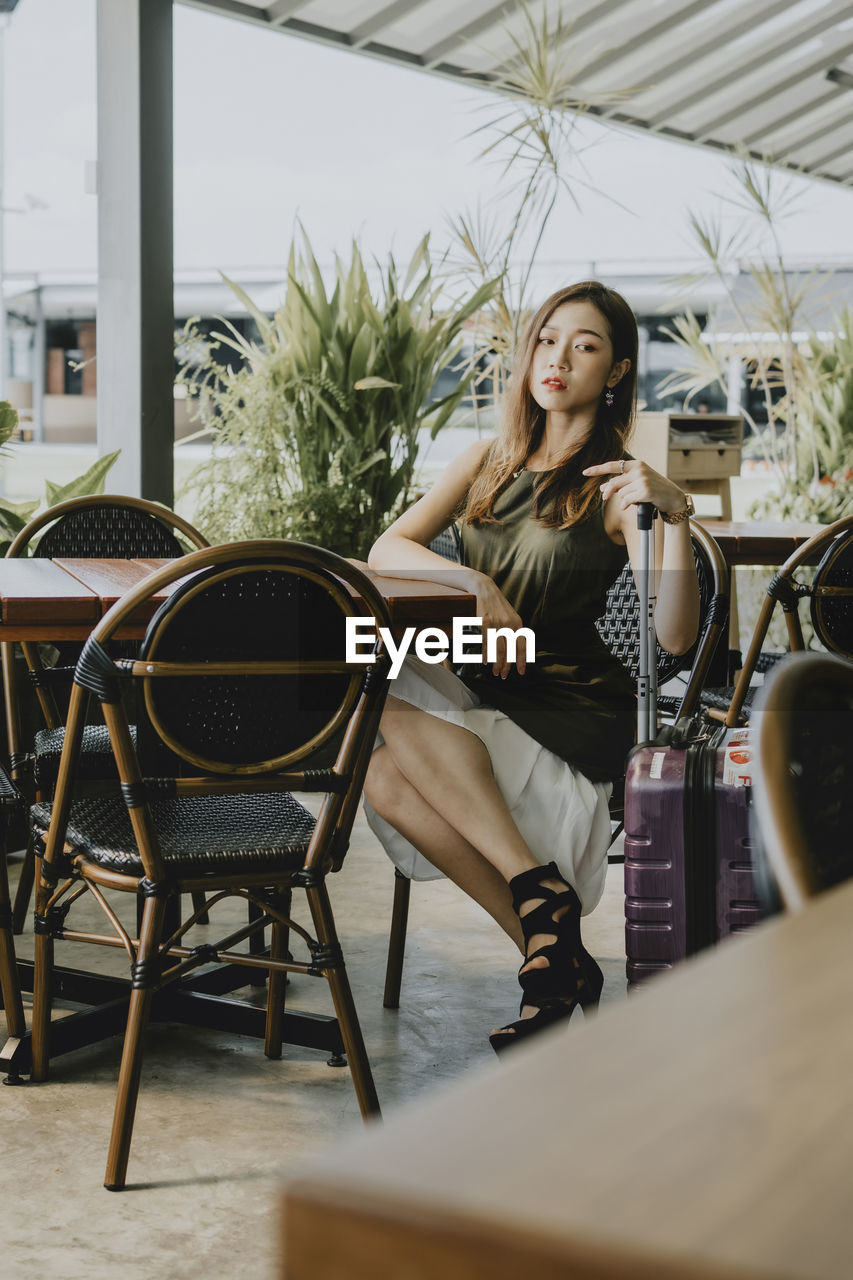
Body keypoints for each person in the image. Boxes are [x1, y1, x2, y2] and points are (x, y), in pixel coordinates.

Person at [364, 281, 700, 1054]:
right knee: (377, 767)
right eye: (547, 340)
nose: (558, 359)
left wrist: (676, 514)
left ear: (614, 371)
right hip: (487, 678)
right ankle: (551, 939)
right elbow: (391, 545)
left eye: (584, 346)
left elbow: (675, 636)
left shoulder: (616, 485)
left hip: (572, 704)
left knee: (379, 711)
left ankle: (538, 911)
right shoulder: (488, 458)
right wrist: (471, 581)